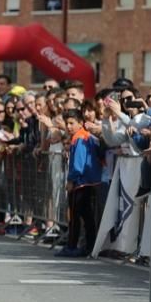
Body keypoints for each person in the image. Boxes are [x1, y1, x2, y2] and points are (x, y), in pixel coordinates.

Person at [56, 109, 102, 258]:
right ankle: (88, 246)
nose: (69, 126)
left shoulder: (80, 138)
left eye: (72, 123)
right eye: (67, 123)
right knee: (86, 216)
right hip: (87, 181)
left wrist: (71, 180)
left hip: (81, 183)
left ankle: (72, 246)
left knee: (76, 216)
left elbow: (78, 164)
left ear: (80, 123)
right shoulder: (83, 136)